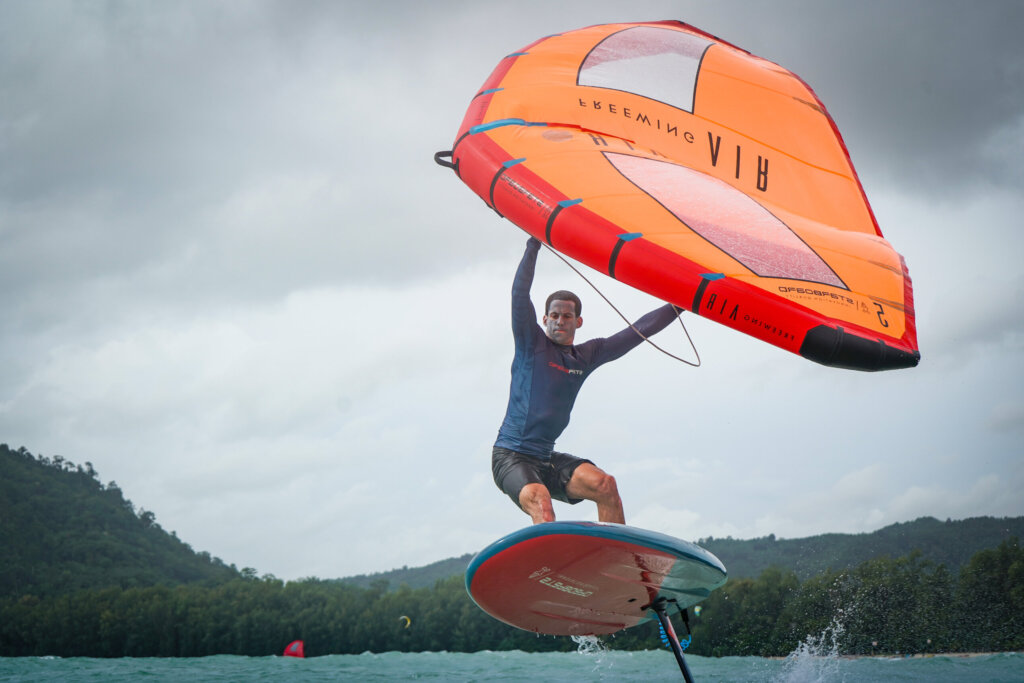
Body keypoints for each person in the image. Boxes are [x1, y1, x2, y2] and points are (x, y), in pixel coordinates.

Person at [492, 236, 679, 525]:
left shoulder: (586, 355)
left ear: (578, 322)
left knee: (605, 485)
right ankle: (550, 566)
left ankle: (614, 564)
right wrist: (533, 245)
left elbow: (638, 331)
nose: (559, 321)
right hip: (511, 456)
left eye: (567, 316)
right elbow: (519, 294)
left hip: (546, 457)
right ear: (544, 319)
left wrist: (680, 305)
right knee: (540, 499)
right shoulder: (531, 344)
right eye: (553, 315)